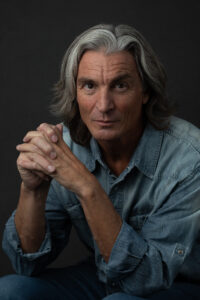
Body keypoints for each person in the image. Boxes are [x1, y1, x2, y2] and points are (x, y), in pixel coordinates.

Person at [1, 24, 200, 300]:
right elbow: (27, 263)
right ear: (75, 91)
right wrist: (33, 189)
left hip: (177, 284)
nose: (104, 105)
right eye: (89, 86)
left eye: (120, 85)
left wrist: (87, 187)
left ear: (145, 92)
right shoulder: (66, 147)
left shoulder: (190, 159)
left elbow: (148, 279)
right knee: (11, 290)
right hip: (103, 277)